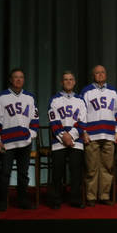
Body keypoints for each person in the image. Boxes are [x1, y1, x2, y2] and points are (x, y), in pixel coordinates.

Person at [0, 68, 39, 210]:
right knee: (4, 173)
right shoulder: (1, 97)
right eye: (15, 77)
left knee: (23, 173)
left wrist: (31, 135)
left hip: (24, 141)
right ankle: (1, 201)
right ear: (10, 80)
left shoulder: (30, 97)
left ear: (24, 80)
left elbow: (35, 119)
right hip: (6, 142)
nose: (18, 80)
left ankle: (22, 200)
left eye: (21, 77)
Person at [81, 64, 117, 207]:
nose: (100, 75)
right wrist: (84, 132)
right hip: (92, 135)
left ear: (106, 74)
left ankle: (104, 195)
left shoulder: (113, 91)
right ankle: (91, 196)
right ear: (93, 75)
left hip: (109, 134)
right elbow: (82, 114)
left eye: (102, 72)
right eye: (97, 73)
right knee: (91, 168)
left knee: (107, 167)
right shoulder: (86, 91)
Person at [47, 70, 87, 209]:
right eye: (66, 79)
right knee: (57, 171)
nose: (68, 81)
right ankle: (56, 199)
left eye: (71, 79)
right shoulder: (54, 99)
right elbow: (54, 121)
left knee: (76, 171)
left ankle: (75, 199)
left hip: (76, 141)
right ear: (61, 82)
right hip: (59, 141)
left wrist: (72, 136)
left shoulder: (80, 100)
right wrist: (64, 137)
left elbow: (83, 121)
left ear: (74, 82)